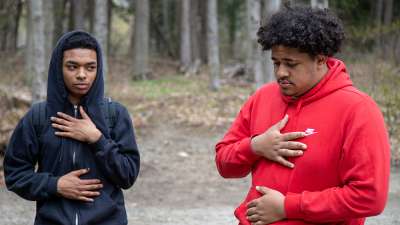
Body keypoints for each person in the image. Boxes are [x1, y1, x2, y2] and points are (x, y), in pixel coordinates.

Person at [215, 7, 390, 225]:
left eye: (291, 64)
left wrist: (288, 207)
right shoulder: (262, 98)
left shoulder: (358, 109)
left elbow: (369, 197)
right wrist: (254, 147)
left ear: (320, 59)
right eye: (276, 63)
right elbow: (224, 164)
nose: (281, 73)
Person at [4, 31, 140, 225]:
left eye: (90, 67)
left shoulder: (115, 114)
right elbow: (14, 173)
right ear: (59, 68)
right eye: (72, 67)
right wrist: (55, 185)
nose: (82, 75)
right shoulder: (39, 116)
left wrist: (97, 139)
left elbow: (128, 175)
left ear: (98, 69)